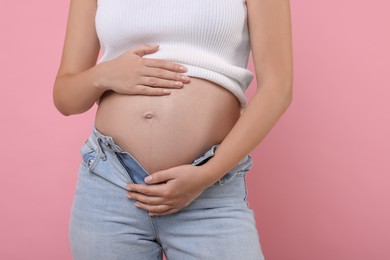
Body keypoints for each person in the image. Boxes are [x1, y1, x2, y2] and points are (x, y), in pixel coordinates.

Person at [53, 0, 293, 259]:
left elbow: (278, 88)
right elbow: (66, 98)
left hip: (208, 189)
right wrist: (104, 74)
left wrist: (206, 175)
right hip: (111, 183)